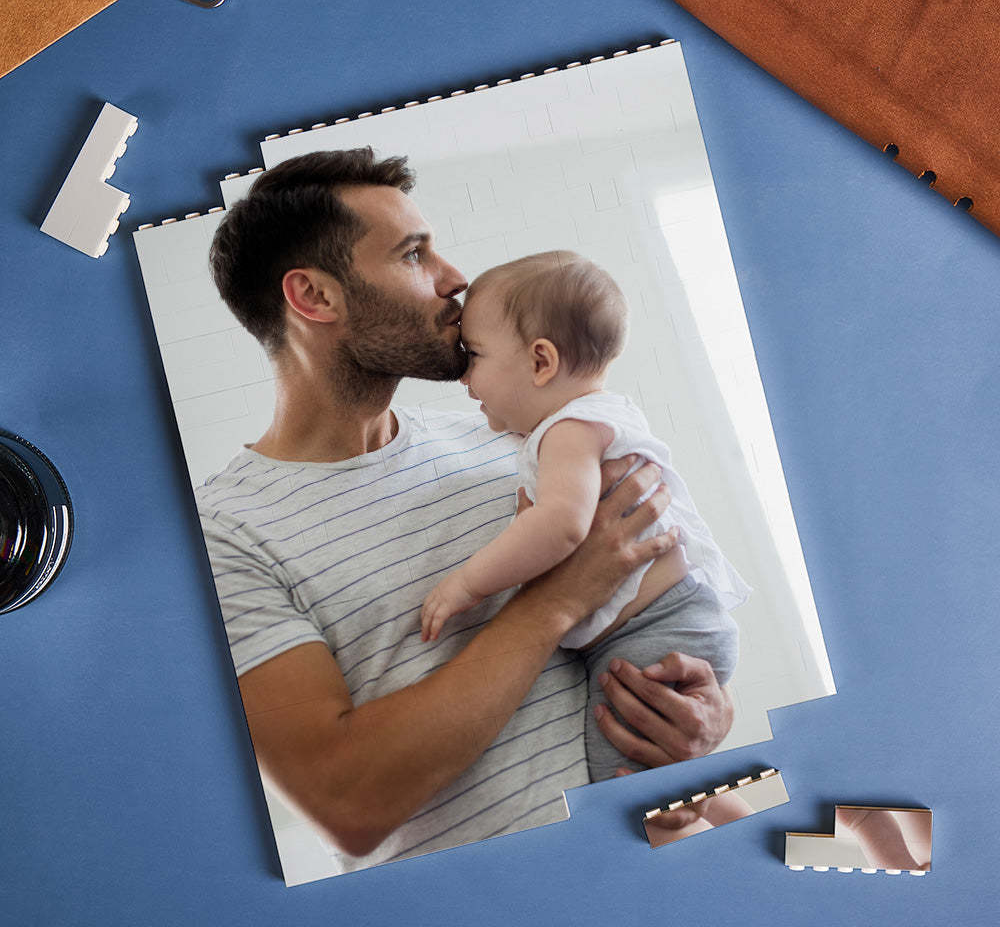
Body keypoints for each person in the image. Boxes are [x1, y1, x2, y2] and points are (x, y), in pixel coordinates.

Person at [197, 147, 734, 874]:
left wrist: (700, 723)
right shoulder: (225, 535)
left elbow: (651, 628)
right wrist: (555, 600)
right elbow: (347, 804)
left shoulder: (515, 443)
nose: (454, 279)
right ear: (315, 298)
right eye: (415, 254)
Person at [420, 251, 748, 780]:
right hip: (670, 622)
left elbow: (562, 525)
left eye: (474, 355)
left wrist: (467, 583)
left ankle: (726, 816)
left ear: (541, 362)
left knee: (618, 778)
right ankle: (722, 807)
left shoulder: (567, 431)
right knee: (657, 775)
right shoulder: (595, 417)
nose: (465, 378)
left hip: (654, 629)